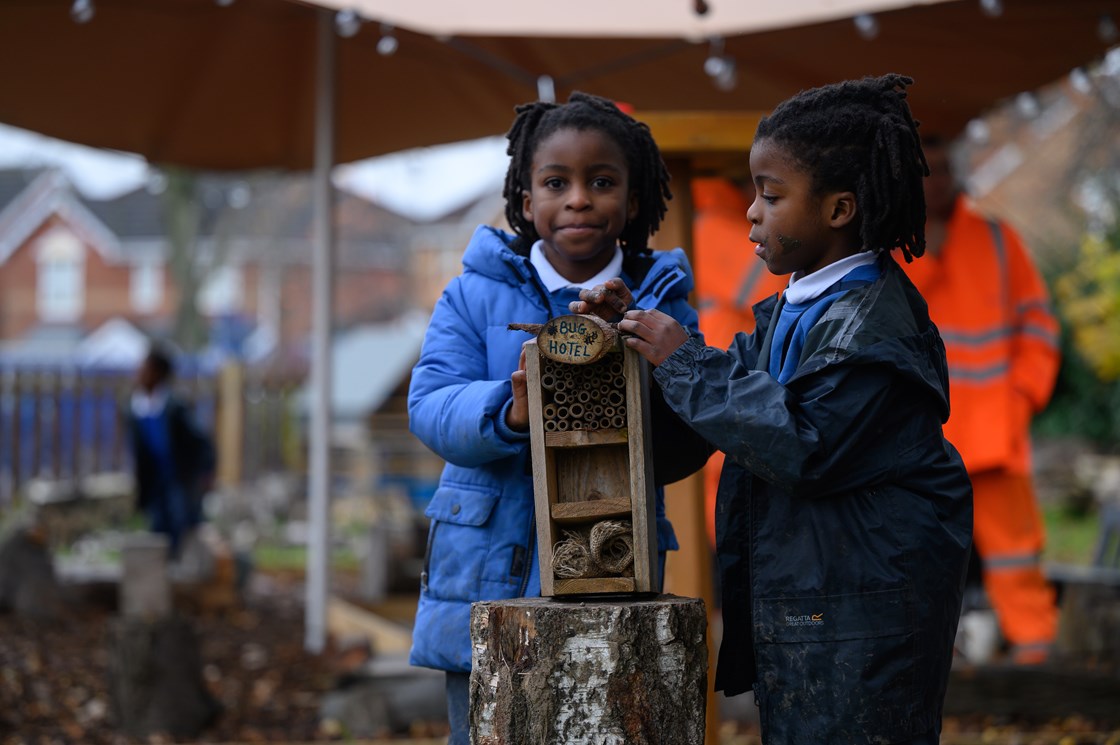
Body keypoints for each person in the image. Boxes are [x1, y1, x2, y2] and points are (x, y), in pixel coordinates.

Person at [573, 74, 973, 743]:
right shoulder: (796, 307)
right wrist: (636, 342)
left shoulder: (875, 329)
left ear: (840, 208)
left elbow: (801, 442)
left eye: (772, 193)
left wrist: (683, 360)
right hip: (810, 618)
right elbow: (727, 416)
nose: (752, 212)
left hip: (865, 627)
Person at [406, 91, 710, 744]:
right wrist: (507, 408)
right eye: (556, 182)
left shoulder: (663, 304)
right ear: (525, 200)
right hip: (491, 582)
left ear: (632, 202)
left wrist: (654, 361)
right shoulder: (471, 295)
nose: (578, 198)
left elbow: (691, 437)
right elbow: (429, 406)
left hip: (611, 577)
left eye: (601, 182)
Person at [899, 136, 1061, 664]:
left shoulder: (995, 240)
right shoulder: (889, 246)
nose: (939, 179)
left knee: (1016, 555)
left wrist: (1022, 396)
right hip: (924, 441)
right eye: (929, 170)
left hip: (995, 431)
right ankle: (922, 665)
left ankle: (1037, 660)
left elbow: (1039, 324)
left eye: (946, 167)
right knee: (914, 555)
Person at [692, 175, 788, 549]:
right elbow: (782, 288)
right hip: (733, 397)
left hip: (722, 395)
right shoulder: (714, 224)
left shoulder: (698, 218)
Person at [127, 345, 216, 560]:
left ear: (158, 373)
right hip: (156, 478)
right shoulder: (137, 407)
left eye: (145, 368)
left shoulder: (174, 406)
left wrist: (206, 471)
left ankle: (180, 571)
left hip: (179, 477)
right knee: (158, 526)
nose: (139, 373)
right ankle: (162, 571)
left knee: (181, 523)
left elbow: (201, 442)